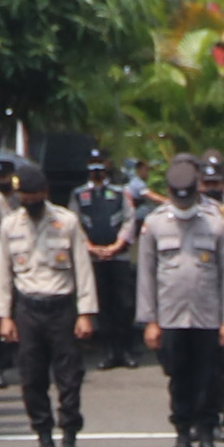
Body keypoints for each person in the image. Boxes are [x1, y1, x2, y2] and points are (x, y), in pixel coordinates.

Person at [135, 156, 224, 447]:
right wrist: (150, 321)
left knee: (210, 379)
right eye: (177, 197)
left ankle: (207, 438)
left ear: (196, 190)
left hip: (208, 318)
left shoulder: (215, 221)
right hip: (170, 318)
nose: (184, 204)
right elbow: (146, 275)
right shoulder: (155, 224)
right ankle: (183, 438)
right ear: (170, 192)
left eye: (189, 197)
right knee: (179, 379)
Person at [0, 159, 93, 447]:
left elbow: (83, 270)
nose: (29, 201)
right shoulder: (10, 225)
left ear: (45, 191)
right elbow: (3, 272)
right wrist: (4, 316)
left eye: (34, 195)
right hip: (28, 309)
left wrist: (85, 313)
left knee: (69, 377)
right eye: (25, 196)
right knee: (32, 378)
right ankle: (44, 440)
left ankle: (70, 440)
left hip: (60, 308)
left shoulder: (67, 222)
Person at [76, 152, 140, 367]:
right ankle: (109, 352)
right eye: (93, 167)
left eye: (100, 167)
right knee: (103, 306)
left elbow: (129, 220)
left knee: (124, 304)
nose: (97, 172)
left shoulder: (120, 193)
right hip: (94, 259)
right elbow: (75, 225)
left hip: (118, 257)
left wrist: (116, 246)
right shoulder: (79, 195)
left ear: (107, 167)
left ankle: (126, 351)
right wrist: (91, 248)